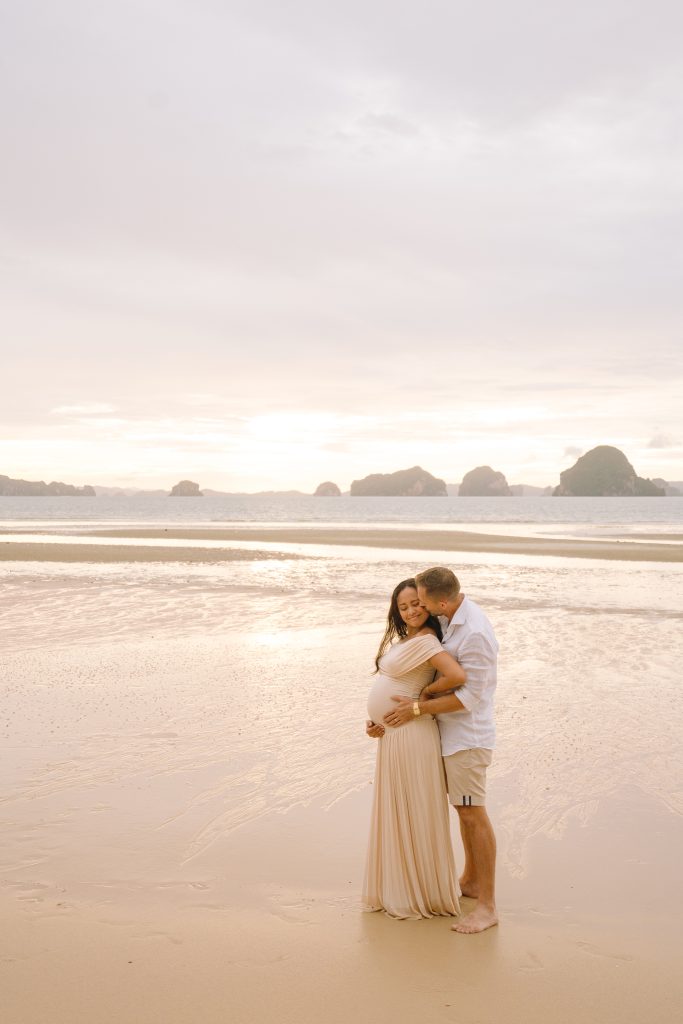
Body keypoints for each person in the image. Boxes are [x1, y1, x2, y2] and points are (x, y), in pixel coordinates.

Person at [383, 566, 499, 934]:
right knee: (463, 810)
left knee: (472, 813)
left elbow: (470, 696)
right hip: (448, 736)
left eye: (423, 602)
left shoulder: (475, 632)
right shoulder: (449, 619)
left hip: (468, 737)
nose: (420, 609)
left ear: (441, 601)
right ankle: (471, 880)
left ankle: (488, 906)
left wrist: (419, 704)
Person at [363, 578, 468, 920]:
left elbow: (456, 676)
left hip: (412, 733)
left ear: (428, 603)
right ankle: (404, 886)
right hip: (394, 733)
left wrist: (422, 697)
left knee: (413, 808)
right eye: (403, 606)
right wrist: (376, 720)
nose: (410, 611)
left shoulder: (426, 641)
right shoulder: (407, 639)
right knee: (399, 808)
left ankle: (421, 891)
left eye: (415, 604)